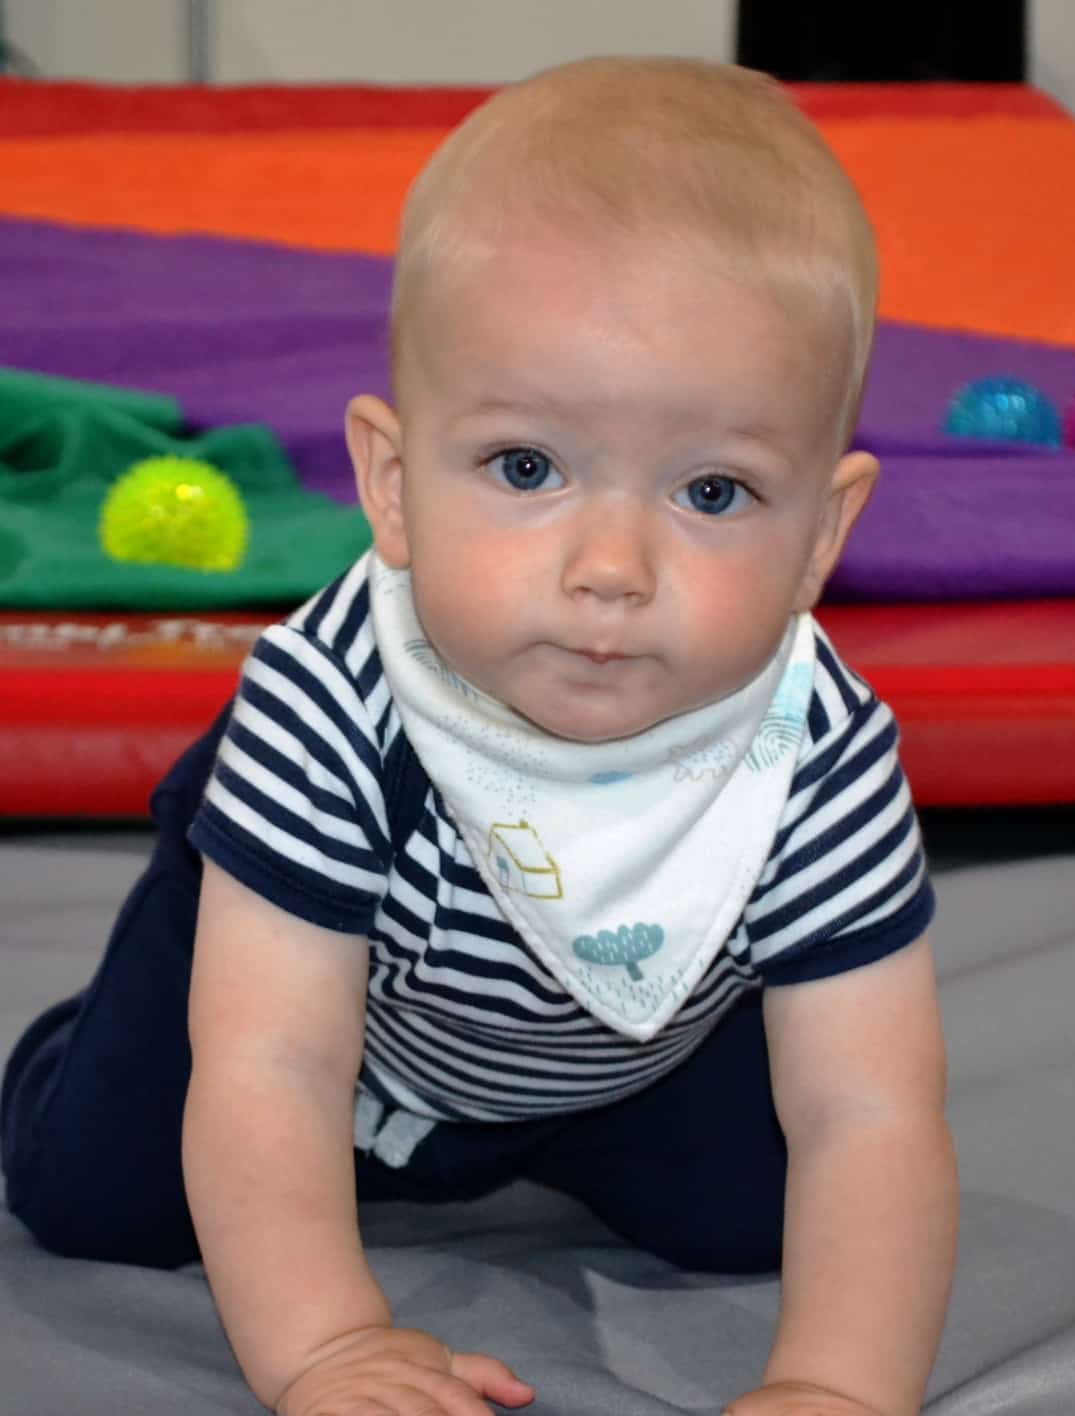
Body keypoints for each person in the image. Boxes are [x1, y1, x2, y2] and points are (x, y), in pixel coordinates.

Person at [1, 56, 957, 1416]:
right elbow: (275, 1061)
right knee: (96, 1191)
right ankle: (83, 1035)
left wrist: (839, 1387)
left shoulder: (817, 754)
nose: (611, 565)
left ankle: (508, 1139)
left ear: (822, 535)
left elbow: (871, 1110)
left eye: (712, 489)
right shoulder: (334, 703)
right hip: (312, 998)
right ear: (391, 486)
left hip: (621, 1046)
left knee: (762, 1212)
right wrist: (326, 1344)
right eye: (526, 468)